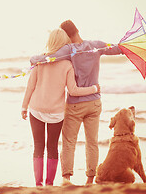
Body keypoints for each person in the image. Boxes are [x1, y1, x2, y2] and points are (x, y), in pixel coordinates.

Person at [30, 20, 123, 185]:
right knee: (92, 142)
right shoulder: (97, 45)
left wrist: (32, 59)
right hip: (94, 102)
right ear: (78, 30)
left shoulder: (68, 50)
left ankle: (66, 178)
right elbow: (117, 48)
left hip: (75, 104)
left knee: (69, 142)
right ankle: (89, 180)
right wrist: (131, 47)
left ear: (65, 36)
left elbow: (47, 58)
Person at [21, 28, 100, 187]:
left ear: (50, 42)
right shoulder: (67, 65)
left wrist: (24, 107)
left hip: (36, 109)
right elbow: (73, 91)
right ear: (65, 44)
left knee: (38, 147)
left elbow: (30, 87)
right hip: (56, 113)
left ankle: (38, 184)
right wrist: (94, 89)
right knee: (52, 148)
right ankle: (50, 184)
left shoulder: (40, 61)